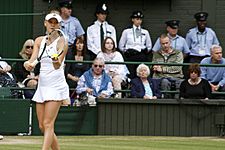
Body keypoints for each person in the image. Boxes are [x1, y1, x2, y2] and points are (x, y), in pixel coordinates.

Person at [23, 12, 69, 150]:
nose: (53, 25)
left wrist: (55, 59)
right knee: (42, 126)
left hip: (56, 85)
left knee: (48, 124)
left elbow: (57, 65)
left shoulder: (62, 42)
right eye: (50, 22)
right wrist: (28, 64)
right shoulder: (38, 41)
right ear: (45, 23)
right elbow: (32, 60)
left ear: (59, 25)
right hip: (43, 85)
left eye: (55, 22)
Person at [119, 10, 152, 79]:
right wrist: (126, 51)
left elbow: (149, 45)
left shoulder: (145, 32)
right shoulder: (127, 31)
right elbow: (121, 45)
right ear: (132, 19)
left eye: (140, 19)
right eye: (137, 19)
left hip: (141, 55)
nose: (139, 21)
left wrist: (145, 50)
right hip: (131, 56)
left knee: (141, 75)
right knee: (131, 75)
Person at [152, 34, 183, 98]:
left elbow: (178, 68)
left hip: (175, 76)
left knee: (181, 83)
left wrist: (162, 69)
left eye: (166, 43)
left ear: (170, 42)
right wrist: (153, 67)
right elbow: (153, 65)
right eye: (163, 44)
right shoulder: (156, 54)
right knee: (164, 82)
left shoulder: (178, 53)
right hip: (160, 77)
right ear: (160, 44)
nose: (165, 45)